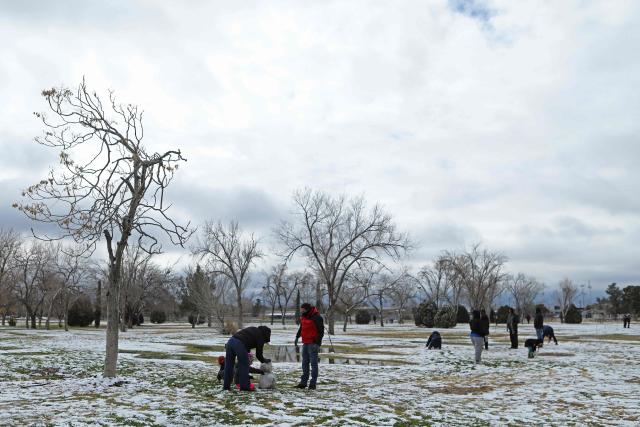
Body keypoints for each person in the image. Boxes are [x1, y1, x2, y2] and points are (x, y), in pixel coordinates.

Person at [223, 325, 271, 391]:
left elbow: (247, 343)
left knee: (229, 365)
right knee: (244, 366)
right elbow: (259, 355)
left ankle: (226, 387)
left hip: (230, 342)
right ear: (266, 334)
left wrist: (246, 354)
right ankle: (244, 387)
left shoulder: (253, 329)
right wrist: (265, 361)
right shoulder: (260, 336)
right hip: (239, 344)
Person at [294, 303, 324, 390]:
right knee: (304, 363)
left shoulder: (317, 317)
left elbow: (321, 332)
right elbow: (301, 328)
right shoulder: (304, 316)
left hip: (313, 344)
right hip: (305, 343)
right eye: (301, 309)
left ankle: (313, 383)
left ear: (307, 309)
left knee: (314, 364)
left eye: (302, 309)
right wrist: (297, 337)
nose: (301, 311)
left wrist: (317, 343)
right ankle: (303, 383)